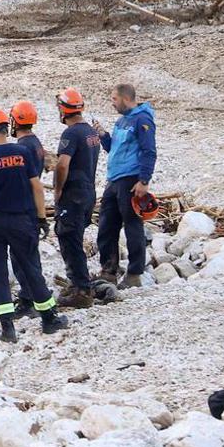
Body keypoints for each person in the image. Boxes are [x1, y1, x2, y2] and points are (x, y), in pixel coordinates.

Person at [0, 109, 67, 344]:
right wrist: (41, 218)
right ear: (5, 127)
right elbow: (37, 188)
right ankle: (49, 319)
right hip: (21, 220)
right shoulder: (22, 152)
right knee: (30, 269)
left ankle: (8, 329)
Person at [50, 88, 113, 307]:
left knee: (69, 239)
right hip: (88, 192)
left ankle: (81, 290)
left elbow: (62, 164)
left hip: (74, 195)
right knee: (74, 238)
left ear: (64, 109)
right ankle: (79, 283)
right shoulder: (90, 132)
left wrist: (58, 190)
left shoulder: (71, 133)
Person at [96, 83, 157, 287]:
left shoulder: (143, 119)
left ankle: (134, 273)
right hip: (114, 179)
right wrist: (104, 135)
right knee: (106, 225)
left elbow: (149, 150)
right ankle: (109, 270)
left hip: (131, 180)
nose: (112, 103)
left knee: (132, 226)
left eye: (114, 99)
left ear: (125, 98)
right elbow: (113, 148)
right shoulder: (121, 121)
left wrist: (144, 180)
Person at [8, 99, 45, 317]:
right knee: (30, 253)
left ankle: (30, 298)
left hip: (22, 206)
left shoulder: (21, 147)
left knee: (21, 256)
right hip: (32, 205)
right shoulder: (36, 143)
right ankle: (34, 296)